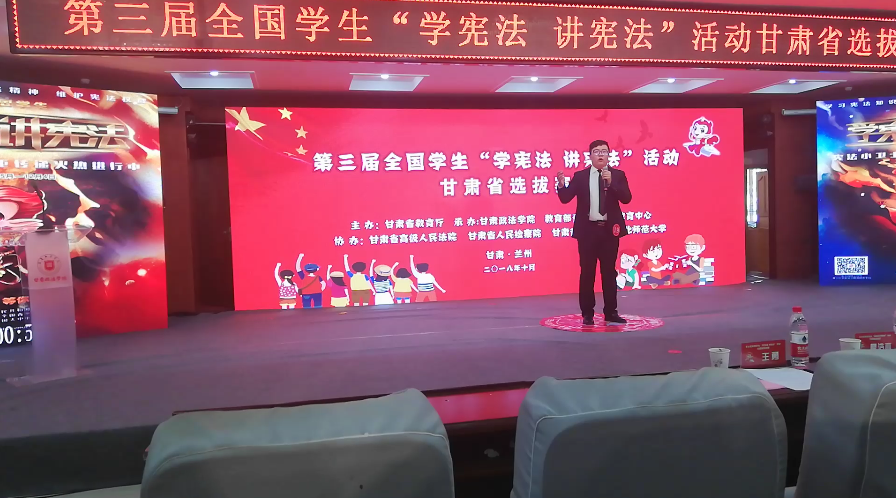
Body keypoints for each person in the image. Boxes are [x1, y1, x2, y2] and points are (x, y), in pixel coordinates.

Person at [557, 139, 632, 325]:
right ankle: (587, 313)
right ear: (590, 155)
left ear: (608, 155)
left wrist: (611, 183)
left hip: (609, 232)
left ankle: (611, 312)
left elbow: (627, 198)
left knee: (609, 273)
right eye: (597, 151)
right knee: (587, 272)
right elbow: (565, 198)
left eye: (604, 151)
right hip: (587, 232)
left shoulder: (617, 175)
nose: (600, 155)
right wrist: (561, 185)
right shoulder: (580, 176)